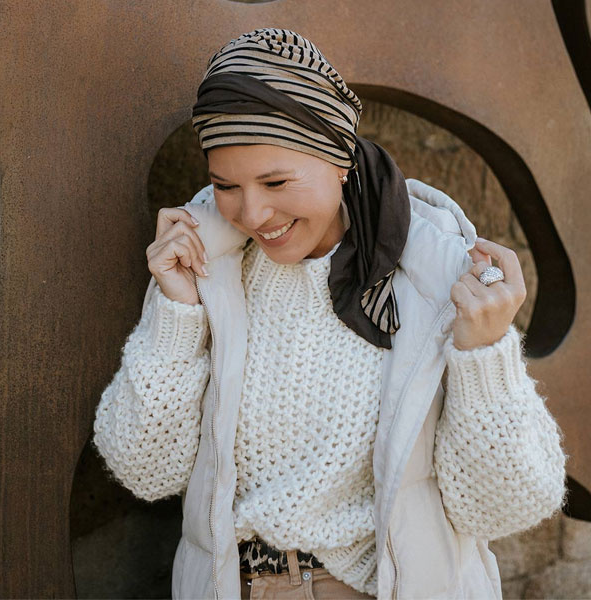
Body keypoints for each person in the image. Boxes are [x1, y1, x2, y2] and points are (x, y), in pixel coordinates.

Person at [92, 28, 567, 600]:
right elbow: (144, 470)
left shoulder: (435, 277)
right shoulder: (207, 269)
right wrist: (176, 314)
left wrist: (485, 355)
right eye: (225, 185)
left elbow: (505, 506)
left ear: (339, 156)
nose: (253, 212)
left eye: (275, 181)